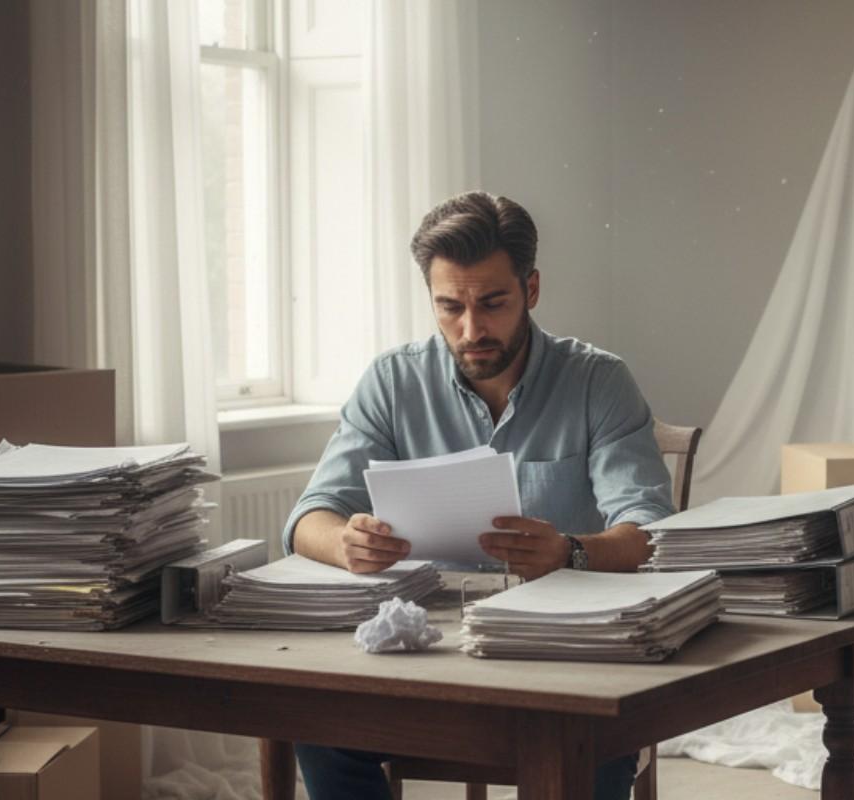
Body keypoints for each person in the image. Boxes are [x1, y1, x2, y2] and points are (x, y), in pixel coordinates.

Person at [282, 191, 674, 800]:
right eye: (450, 307)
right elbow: (310, 516)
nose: (471, 330)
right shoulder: (392, 381)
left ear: (532, 289)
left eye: (492, 303)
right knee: (318, 728)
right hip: (429, 660)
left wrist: (570, 552)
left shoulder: (599, 382)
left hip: (565, 663)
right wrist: (345, 542)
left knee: (592, 750)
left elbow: (649, 534)